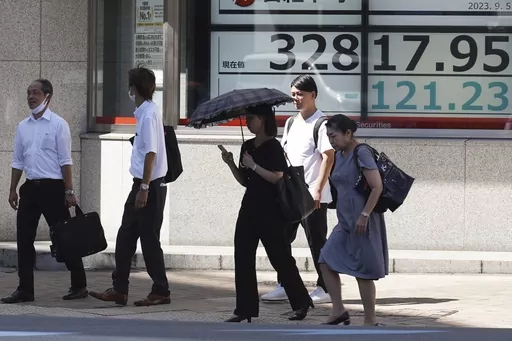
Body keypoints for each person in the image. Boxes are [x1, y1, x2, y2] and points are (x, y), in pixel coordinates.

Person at [221, 104, 313, 323]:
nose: (247, 122)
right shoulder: (247, 146)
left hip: (271, 210)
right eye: (246, 118)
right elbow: (245, 181)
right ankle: (244, 309)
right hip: (249, 207)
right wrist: (232, 164)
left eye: (250, 118)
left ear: (263, 119)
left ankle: (301, 302)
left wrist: (253, 166)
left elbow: (278, 176)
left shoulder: (272, 146)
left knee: (280, 257)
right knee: (242, 255)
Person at [89, 66, 170, 306]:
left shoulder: (148, 114)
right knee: (126, 237)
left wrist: (144, 187)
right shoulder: (145, 112)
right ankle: (119, 288)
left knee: (149, 240)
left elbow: (151, 152)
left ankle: (160, 290)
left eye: (130, 86)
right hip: (143, 184)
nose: (129, 90)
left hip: (149, 186)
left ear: (134, 88)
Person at [2, 79, 87, 304]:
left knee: (65, 237)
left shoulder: (59, 125)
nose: (31, 97)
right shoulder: (22, 127)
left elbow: (65, 161)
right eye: (28, 93)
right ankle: (25, 289)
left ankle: (79, 285)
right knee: (24, 238)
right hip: (30, 189)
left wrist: (69, 191)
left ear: (47, 96)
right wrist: (12, 189)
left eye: (36, 93)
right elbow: (17, 161)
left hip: (53, 188)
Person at [261, 75, 334, 304]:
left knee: (317, 240)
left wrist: (318, 189)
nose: (296, 98)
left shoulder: (322, 124)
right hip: (289, 192)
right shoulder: (292, 122)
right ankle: (285, 283)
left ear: (313, 94)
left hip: (311, 194)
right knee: (281, 239)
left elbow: (328, 158)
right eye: (293, 94)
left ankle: (326, 287)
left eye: (300, 94)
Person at [319, 114, 389, 326]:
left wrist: (365, 215)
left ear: (348, 133)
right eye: (329, 137)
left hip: (363, 219)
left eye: (334, 136)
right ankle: (338, 309)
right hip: (345, 221)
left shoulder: (362, 152)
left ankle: (370, 320)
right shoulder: (339, 155)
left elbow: (377, 186)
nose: (332, 141)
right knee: (325, 259)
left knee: (364, 272)